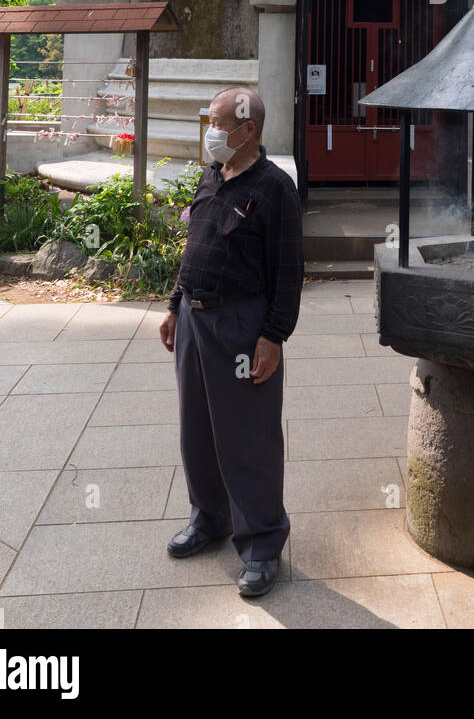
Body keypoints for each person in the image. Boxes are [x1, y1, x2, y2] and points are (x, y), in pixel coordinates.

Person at [158, 85, 304, 599]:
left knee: (247, 436)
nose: (211, 132)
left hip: (243, 327)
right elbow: (194, 243)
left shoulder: (275, 189)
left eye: (220, 124)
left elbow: (289, 274)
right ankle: (210, 518)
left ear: (249, 130)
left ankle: (262, 543)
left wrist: (273, 337)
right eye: (210, 121)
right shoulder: (212, 175)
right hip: (196, 323)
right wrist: (175, 302)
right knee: (197, 429)